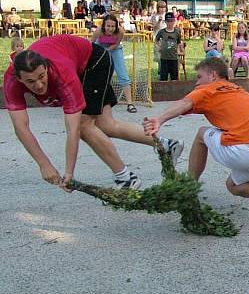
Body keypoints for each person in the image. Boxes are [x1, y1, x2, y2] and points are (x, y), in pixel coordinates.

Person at [3, 35, 183, 190]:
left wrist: (69, 173)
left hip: (94, 61)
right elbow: (21, 128)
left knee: (84, 126)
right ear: (18, 78)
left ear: (46, 67)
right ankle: (167, 145)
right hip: (77, 63)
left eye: (42, 77)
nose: (39, 85)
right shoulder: (11, 82)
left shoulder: (62, 73)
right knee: (107, 126)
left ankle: (126, 178)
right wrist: (43, 164)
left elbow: (73, 129)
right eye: (30, 82)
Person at [143, 58, 249, 222]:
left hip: (244, 152)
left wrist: (160, 119)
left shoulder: (209, 89)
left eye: (199, 77)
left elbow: (185, 102)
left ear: (213, 75)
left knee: (202, 134)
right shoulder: (239, 90)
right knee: (233, 186)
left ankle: (189, 188)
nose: (196, 82)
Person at [92, 14, 134, 112]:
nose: (110, 29)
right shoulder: (98, 31)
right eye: (108, 26)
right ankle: (97, 100)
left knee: (122, 73)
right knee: (98, 73)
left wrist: (107, 51)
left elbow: (116, 44)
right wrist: (100, 55)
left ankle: (130, 103)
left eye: (112, 26)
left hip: (115, 49)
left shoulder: (120, 31)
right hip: (99, 47)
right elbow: (92, 45)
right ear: (104, 25)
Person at [155, 12, 184, 81]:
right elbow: (156, 40)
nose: (170, 23)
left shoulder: (177, 32)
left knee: (174, 78)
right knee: (163, 78)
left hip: (173, 58)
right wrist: (160, 47)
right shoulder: (162, 32)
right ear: (165, 22)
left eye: (171, 21)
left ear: (174, 21)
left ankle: (174, 91)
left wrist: (180, 50)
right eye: (168, 21)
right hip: (164, 58)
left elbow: (179, 42)